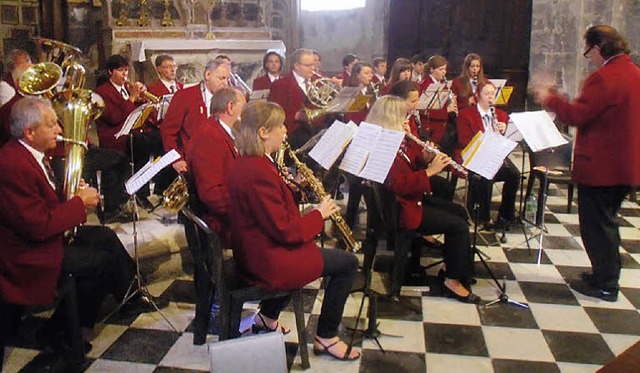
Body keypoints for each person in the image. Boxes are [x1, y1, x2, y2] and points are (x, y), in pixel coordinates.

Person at [0, 97, 151, 365]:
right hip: (26, 253)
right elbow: (37, 226)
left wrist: (69, 194)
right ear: (29, 132)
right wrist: (78, 203)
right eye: (52, 124)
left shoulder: (30, 154)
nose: (59, 129)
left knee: (105, 237)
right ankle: (60, 332)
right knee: (98, 263)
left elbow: (42, 202)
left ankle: (129, 297)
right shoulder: (12, 164)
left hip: (43, 238)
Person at [227, 100, 361, 361]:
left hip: (257, 250)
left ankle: (267, 317)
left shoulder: (248, 162)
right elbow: (285, 231)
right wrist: (318, 215)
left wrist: (291, 188)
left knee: (317, 253)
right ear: (264, 132)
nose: (286, 131)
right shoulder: (257, 171)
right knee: (347, 263)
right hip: (268, 261)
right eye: (281, 126)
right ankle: (326, 337)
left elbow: (270, 210)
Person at [531, 25, 640, 302]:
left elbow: (578, 115)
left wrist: (550, 98)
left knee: (597, 226)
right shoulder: (634, 73)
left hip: (603, 167)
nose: (587, 56)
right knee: (606, 223)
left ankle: (606, 283)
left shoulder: (604, 78)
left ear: (599, 47)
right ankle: (603, 274)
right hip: (624, 165)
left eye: (588, 50)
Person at [369, 96, 479, 303]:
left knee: (459, 212)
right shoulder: (384, 146)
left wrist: (426, 157)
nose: (406, 120)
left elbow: (411, 161)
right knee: (458, 226)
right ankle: (452, 281)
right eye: (402, 116)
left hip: (411, 199)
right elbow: (397, 184)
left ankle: (454, 267)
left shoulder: (398, 139)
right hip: (402, 209)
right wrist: (429, 171)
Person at [94, 54, 157, 211]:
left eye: (126, 71)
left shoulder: (125, 89)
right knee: (145, 144)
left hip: (131, 134)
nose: (124, 75)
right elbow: (115, 117)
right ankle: (134, 192)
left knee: (157, 140)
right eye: (120, 71)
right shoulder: (102, 92)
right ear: (110, 72)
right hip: (114, 137)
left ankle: (142, 191)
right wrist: (132, 98)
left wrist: (144, 99)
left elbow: (139, 112)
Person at [187, 87, 246, 248]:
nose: (245, 111)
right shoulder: (209, 137)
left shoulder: (219, 130)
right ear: (231, 107)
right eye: (243, 105)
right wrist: (248, 211)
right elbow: (211, 194)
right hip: (223, 224)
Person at [457, 81, 519, 229]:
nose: (491, 97)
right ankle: (484, 217)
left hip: (495, 156)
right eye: (487, 94)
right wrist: (486, 138)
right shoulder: (466, 114)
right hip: (476, 156)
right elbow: (464, 140)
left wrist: (504, 133)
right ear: (478, 96)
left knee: (515, 175)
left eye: (493, 93)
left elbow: (508, 143)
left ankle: (505, 215)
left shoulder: (502, 115)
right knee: (486, 175)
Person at [161, 58, 230, 173]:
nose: (226, 83)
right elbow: (168, 132)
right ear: (208, 75)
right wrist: (176, 159)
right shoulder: (185, 96)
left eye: (227, 79)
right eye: (222, 78)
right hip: (192, 163)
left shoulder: (228, 98)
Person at [268, 48, 320, 150]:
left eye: (313, 65)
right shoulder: (280, 85)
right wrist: (296, 116)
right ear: (297, 66)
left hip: (317, 131)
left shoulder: (318, 81)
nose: (313, 68)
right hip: (294, 135)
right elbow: (274, 113)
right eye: (308, 66)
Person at [419, 55, 457, 144]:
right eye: (441, 69)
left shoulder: (443, 84)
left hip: (444, 126)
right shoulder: (425, 85)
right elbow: (424, 110)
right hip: (432, 128)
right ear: (432, 69)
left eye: (445, 69)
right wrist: (446, 110)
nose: (444, 72)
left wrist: (451, 102)